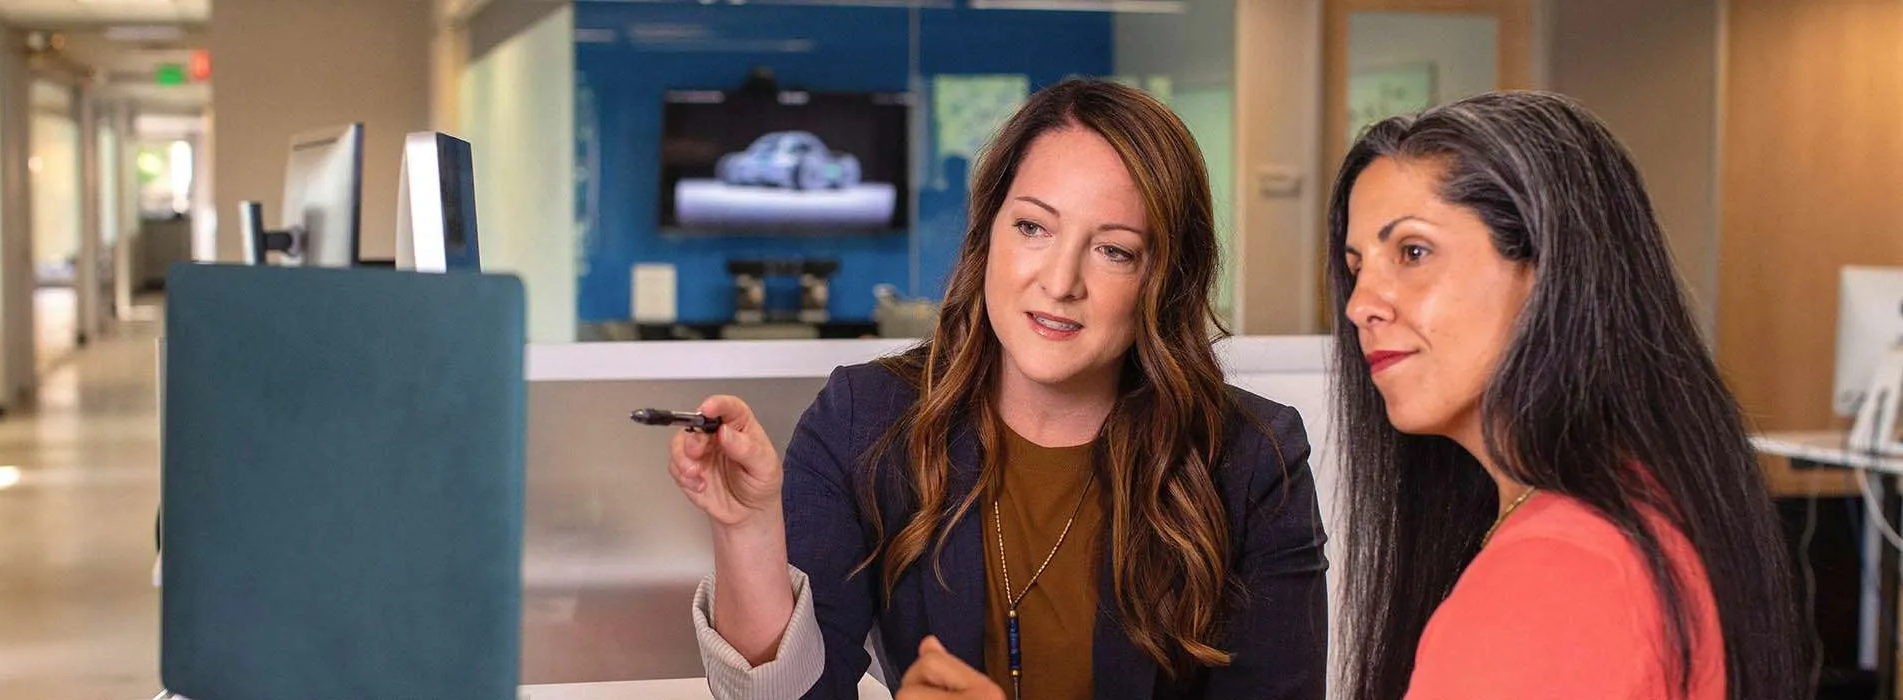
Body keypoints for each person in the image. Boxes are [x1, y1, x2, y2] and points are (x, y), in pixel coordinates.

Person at [665, 78, 1328, 700]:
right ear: (988, 234)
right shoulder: (863, 419)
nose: (1060, 281)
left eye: (1114, 250)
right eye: (1033, 227)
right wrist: (749, 529)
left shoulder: (1252, 459)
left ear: (1166, 277)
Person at [1327, 91, 1808, 700]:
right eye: (1357, 266)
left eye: (1413, 252)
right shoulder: (1639, 505)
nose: (1360, 304)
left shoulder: (1559, 571)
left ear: (1549, 267)